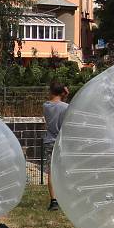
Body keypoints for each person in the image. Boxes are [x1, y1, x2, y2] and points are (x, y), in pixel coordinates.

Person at [43, 80, 70, 211]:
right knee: (63, 170)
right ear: (63, 92)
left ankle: (53, 201)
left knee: (51, 172)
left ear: (51, 91)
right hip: (61, 141)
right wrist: (67, 95)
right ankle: (65, 197)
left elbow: (53, 102)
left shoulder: (46, 106)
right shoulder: (66, 107)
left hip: (49, 141)